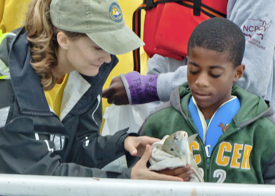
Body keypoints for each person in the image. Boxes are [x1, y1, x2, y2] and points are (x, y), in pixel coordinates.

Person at [0, 0, 187, 181]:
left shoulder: (83, 72)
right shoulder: (7, 83)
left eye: (111, 47)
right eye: (98, 47)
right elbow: (40, 175)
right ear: (63, 40)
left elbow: (76, 148)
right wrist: (127, 179)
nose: (107, 59)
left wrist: (120, 146)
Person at [138, 18, 275, 184]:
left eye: (215, 73)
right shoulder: (159, 122)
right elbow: (135, 177)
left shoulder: (264, 130)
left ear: (237, 73)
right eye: (193, 70)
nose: (201, 81)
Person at [102, 0, 275, 116]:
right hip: (175, 122)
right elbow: (165, 53)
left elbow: (247, 79)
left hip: (237, 133)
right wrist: (154, 117)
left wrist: (150, 87)